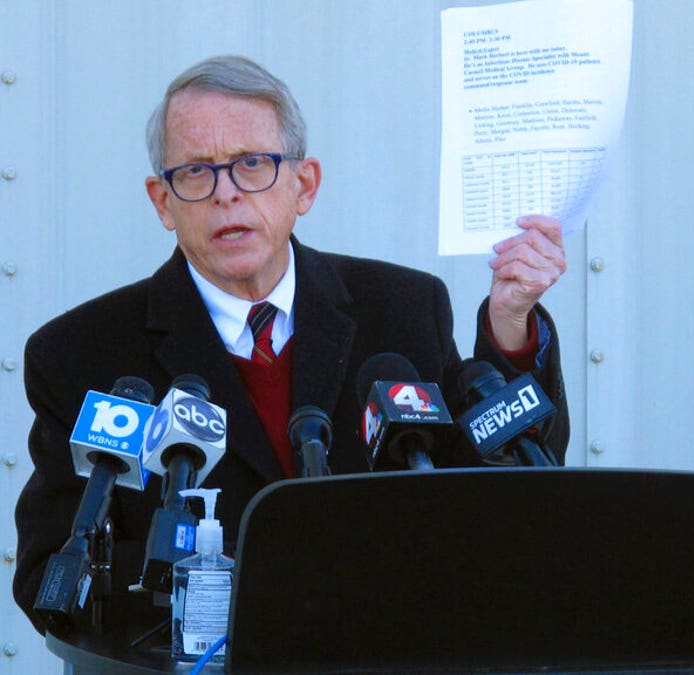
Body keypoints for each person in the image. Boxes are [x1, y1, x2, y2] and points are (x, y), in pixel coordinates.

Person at [13, 55, 569, 636]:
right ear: (162, 201)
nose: (226, 194)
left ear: (303, 186)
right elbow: (48, 577)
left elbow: (500, 497)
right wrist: (249, 584)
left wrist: (510, 324)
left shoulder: (403, 310)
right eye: (197, 172)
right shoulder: (80, 355)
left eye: (253, 164)